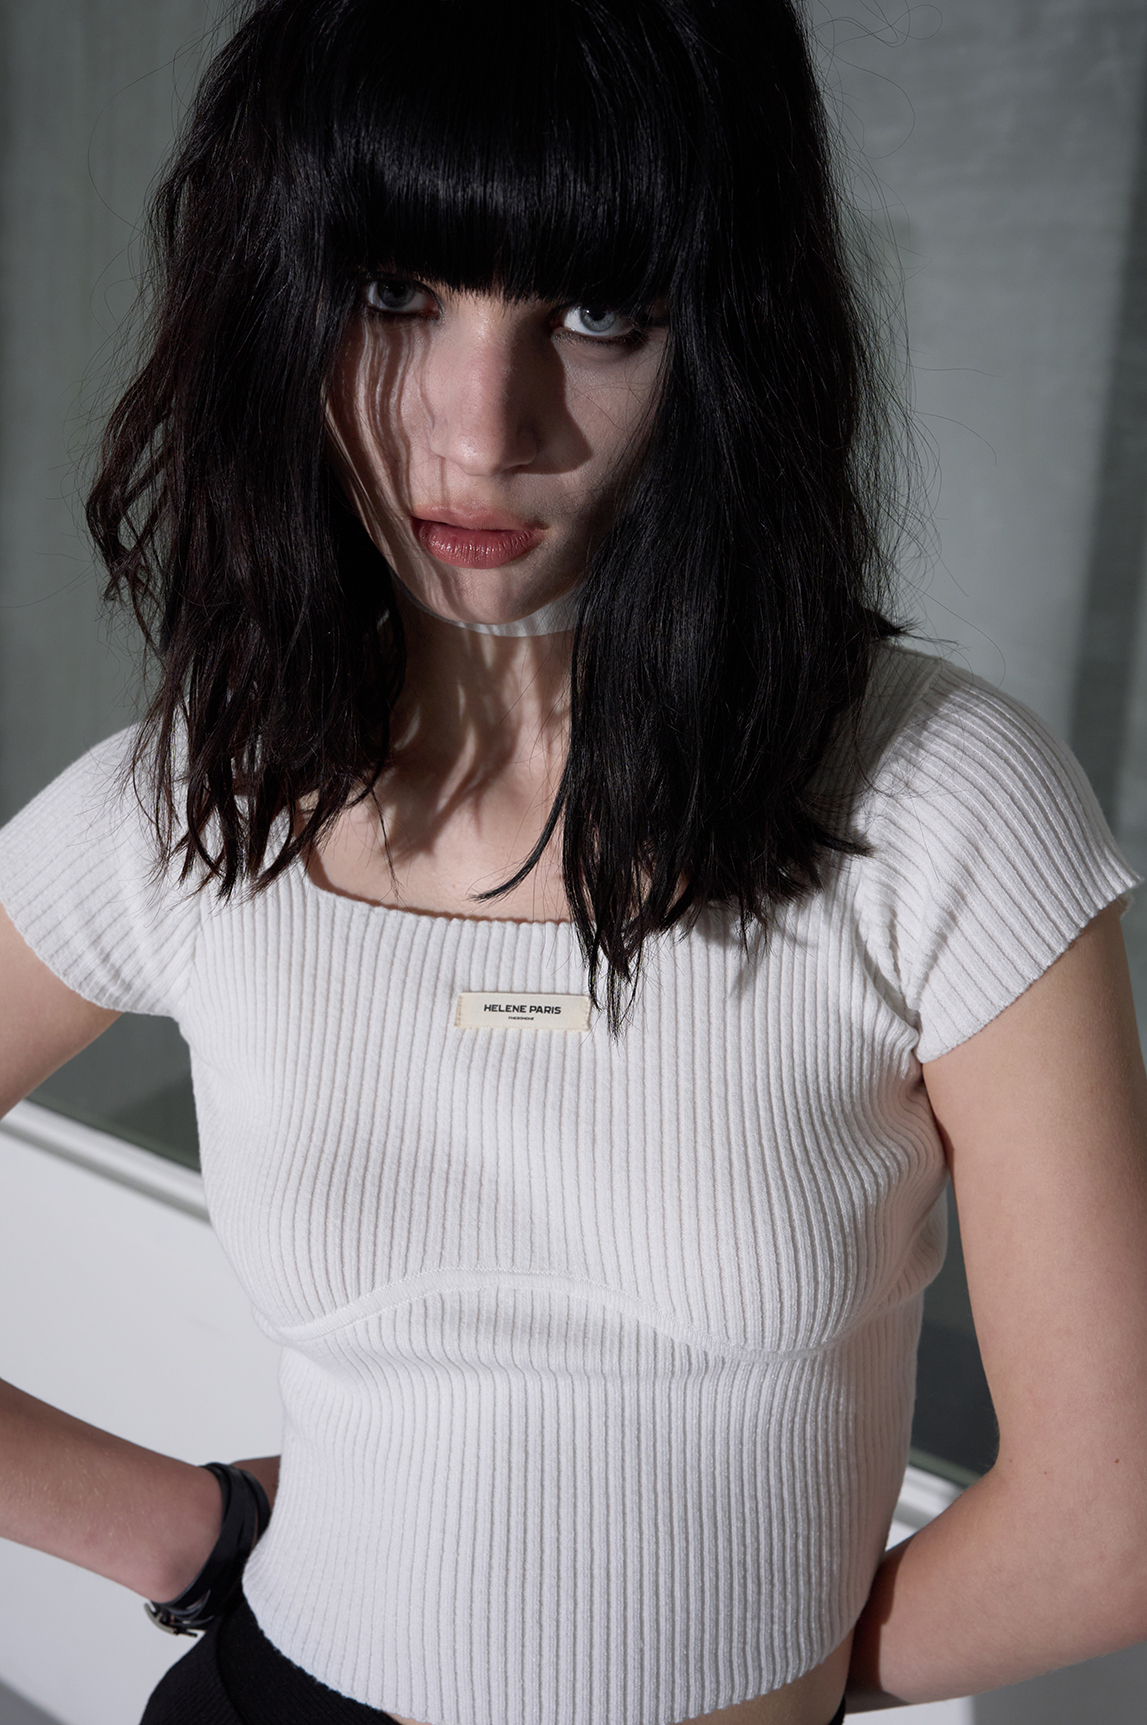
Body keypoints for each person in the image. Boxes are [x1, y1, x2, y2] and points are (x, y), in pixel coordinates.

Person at [1, 1, 1146, 1722]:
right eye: (396, 294)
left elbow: (1111, 1519)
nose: (485, 429)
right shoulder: (191, 802)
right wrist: (176, 1526)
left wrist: (754, 1683)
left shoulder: (941, 803)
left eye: (600, 313)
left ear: (731, 330)